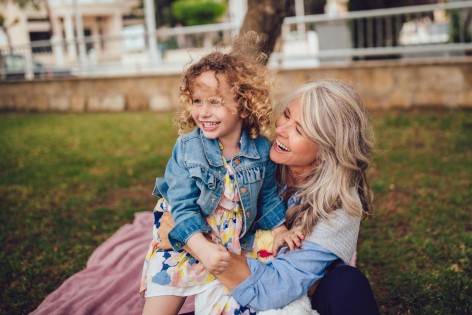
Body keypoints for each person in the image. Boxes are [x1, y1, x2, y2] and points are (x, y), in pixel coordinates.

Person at [156, 79, 380, 314]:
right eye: (285, 115)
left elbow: (274, 289)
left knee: (347, 284)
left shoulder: (339, 206)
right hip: (235, 289)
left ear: (326, 150)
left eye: (299, 130)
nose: (280, 129)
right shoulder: (257, 162)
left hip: (287, 299)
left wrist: (194, 243)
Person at [140, 48, 289, 315]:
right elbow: (181, 206)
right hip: (186, 237)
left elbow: (267, 197)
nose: (203, 112)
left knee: (233, 307)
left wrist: (280, 231)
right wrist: (201, 247)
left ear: (244, 105)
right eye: (197, 101)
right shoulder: (187, 149)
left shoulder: (261, 150)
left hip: (229, 246)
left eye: (215, 101)